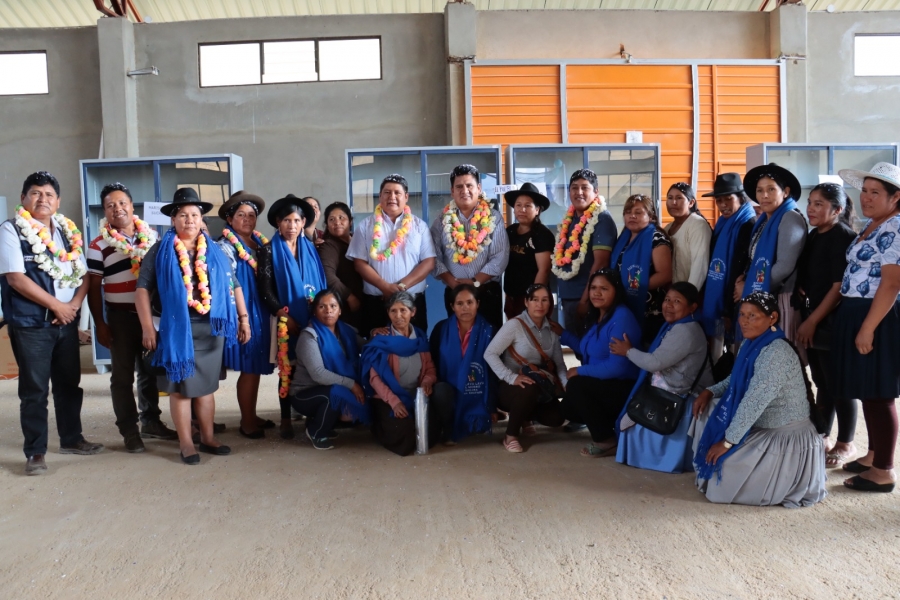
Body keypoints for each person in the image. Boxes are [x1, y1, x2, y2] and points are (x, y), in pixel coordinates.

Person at [135, 188, 252, 465]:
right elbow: (142, 290)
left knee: (207, 387)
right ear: (173, 220)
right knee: (179, 387)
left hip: (211, 328)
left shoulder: (217, 250)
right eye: (183, 215)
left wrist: (243, 318)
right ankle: (186, 442)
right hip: (177, 328)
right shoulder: (160, 251)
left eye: (195, 215)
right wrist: (147, 329)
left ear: (202, 221)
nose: (189, 220)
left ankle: (208, 437)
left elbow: (233, 284)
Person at [0, 171, 103, 475]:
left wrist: (71, 307)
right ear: (23, 198)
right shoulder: (11, 231)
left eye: (48, 195)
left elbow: (83, 276)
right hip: (32, 324)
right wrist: (57, 305)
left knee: (69, 384)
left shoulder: (67, 232)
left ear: (57, 202)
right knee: (34, 390)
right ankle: (35, 452)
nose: (42, 199)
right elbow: (17, 279)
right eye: (35, 193)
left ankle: (71, 439)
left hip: (66, 322)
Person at [692, 292, 826, 507]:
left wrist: (727, 443)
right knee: (708, 410)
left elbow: (753, 403)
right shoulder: (751, 343)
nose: (744, 321)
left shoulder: (776, 353)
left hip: (782, 435)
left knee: (724, 468)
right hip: (761, 424)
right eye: (742, 314)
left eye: (752, 316)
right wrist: (709, 391)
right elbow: (734, 379)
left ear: (772, 318)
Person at [87, 182, 176, 453]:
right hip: (120, 318)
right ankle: (129, 431)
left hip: (151, 315)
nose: (118, 209)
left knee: (149, 371)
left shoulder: (151, 237)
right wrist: (99, 323)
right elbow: (92, 288)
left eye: (122, 203)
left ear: (131, 206)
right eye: (110, 205)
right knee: (123, 376)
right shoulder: (98, 244)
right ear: (105, 211)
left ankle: (151, 421)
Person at [832, 162, 900, 493]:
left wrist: (868, 327)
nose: (867, 198)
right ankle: (874, 455)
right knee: (867, 389)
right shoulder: (872, 225)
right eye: (865, 191)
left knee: (880, 392)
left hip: (877, 313)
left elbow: (891, 284)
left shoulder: (896, 227)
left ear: (895, 197)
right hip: (855, 309)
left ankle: (884, 470)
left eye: (876, 193)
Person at [610, 282, 711, 474]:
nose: (669, 305)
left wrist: (628, 351)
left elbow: (654, 362)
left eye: (677, 301)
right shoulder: (676, 326)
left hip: (677, 392)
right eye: (667, 300)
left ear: (692, 307)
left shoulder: (685, 330)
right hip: (670, 385)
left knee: (631, 413)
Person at [794, 183, 858, 468]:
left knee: (840, 383)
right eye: (810, 202)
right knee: (823, 381)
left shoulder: (842, 236)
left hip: (833, 320)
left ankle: (847, 442)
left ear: (838, 209)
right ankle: (824, 434)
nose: (811, 208)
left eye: (820, 204)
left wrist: (811, 321)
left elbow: (837, 288)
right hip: (815, 317)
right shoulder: (814, 235)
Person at [257, 194, 327, 439]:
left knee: (314, 364)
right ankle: (285, 417)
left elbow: (319, 283)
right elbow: (265, 290)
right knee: (288, 368)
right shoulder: (268, 250)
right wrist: (286, 316)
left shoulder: (310, 248)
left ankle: (312, 414)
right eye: (286, 220)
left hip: (312, 318)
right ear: (278, 222)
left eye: (296, 220)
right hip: (283, 320)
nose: (291, 226)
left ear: (303, 222)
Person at [559, 269, 641, 457]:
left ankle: (606, 440)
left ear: (616, 291)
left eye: (604, 288)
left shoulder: (621, 318)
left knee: (577, 386)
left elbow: (617, 366)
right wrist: (562, 334)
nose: (596, 293)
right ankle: (610, 423)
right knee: (567, 408)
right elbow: (588, 348)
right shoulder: (600, 315)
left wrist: (580, 370)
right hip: (606, 384)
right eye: (593, 288)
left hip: (623, 387)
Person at [216, 190, 275, 439]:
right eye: (241, 215)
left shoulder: (261, 243)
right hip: (242, 309)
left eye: (251, 215)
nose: (248, 220)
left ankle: (250, 413)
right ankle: (247, 421)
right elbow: (230, 283)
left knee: (257, 364)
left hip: (261, 307)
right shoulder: (224, 245)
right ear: (230, 219)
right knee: (249, 365)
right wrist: (242, 318)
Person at [347, 174, 436, 335]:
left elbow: (429, 262)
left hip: (411, 302)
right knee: (378, 349)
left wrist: (401, 287)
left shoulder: (419, 226)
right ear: (380, 196)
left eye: (397, 193)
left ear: (406, 197)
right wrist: (384, 287)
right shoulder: (365, 226)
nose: (392, 197)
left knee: (415, 346)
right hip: (377, 302)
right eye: (387, 192)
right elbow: (359, 263)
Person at [484, 284, 567, 453]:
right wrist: (511, 377)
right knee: (526, 388)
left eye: (545, 300)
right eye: (535, 300)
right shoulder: (514, 325)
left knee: (556, 418)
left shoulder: (552, 329)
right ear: (526, 302)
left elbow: (559, 363)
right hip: (511, 388)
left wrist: (565, 384)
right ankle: (511, 435)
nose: (540, 304)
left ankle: (524, 416)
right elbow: (490, 353)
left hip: (539, 386)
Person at [363, 291, 446, 456]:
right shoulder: (381, 340)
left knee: (428, 433)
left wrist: (426, 383)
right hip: (388, 398)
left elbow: (429, 368)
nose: (398, 315)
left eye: (403, 310)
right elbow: (375, 378)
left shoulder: (420, 337)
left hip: (416, 396)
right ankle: (378, 427)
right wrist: (394, 402)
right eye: (393, 311)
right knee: (406, 437)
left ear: (413, 312)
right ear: (388, 313)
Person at [431, 165, 509, 332]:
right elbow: (434, 257)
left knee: (490, 341)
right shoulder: (441, 220)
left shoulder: (493, 217)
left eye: (469, 186)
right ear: (452, 191)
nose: (464, 190)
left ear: (479, 188)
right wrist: (453, 283)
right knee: (457, 340)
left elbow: (500, 256)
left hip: (486, 293)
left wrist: (475, 281)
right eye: (459, 186)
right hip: (454, 292)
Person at [735, 163, 807, 340]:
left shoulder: (790, 218)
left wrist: (750, 289)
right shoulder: (765, 220)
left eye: (771, 189)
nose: (764, 195)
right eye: (760, 190)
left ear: (786, 191)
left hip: (780, 299)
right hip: (763, 294)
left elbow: (784, 266)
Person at [290, 289, 366, 450]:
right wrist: (352, 385)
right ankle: (316, 431)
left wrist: (378, 336)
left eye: (333, 306)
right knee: (334, 395)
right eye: (322, 307)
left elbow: (367, 347)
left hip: (332, 388)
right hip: (304, 395)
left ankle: (318, 421)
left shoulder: (345, 331)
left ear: (340, 310)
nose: (328, 310)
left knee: (352, 411)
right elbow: (319, 374)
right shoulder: (309, 336)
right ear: (315, 311)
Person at [552, 169, 618, 338]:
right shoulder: (571, 217)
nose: (578, 192)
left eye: (584, 188)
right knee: (578, 346)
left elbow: (601, 263)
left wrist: (585, 300)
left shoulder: (601, 218)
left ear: (596, 191)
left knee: (588, 349)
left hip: (587, 299)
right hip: (569, 298)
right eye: (574, 188)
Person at [429, 284, 495, 445]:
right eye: (459, 304)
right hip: (447, 390)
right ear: (452, 306)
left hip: (478, 389)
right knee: (441, 392)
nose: (465, 308)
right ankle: (448, 425)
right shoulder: (441, 329)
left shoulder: (490, 331)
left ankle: (474, 418)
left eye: (469, 302)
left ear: (477, 304)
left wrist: (492, 407)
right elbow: (432, 361)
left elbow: (492, 372)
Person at [699, 173, 757, 355]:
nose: (723, 205)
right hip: (720, 296)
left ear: (740, 198)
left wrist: (727, 308)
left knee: (736, 350)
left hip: (736, 297)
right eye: (719, 200)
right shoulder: (723, 223)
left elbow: (739, 267)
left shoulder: (748, 223)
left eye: (728, 199)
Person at [611, 194, 673, 345]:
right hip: (622, 303)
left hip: (649, 309)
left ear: (651, 216)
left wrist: (632, 289)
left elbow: (665, 275)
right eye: (628, 212)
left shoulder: (656, 238)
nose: (632, 216)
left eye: (638, 213)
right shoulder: (624, 237)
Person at [503, 182, 555, 322]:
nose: (522, 209)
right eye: (518, 205)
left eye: (527, 206)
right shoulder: (510, 231)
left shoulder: (542, 235)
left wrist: (533, 300)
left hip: (532, 301)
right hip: (512, 297)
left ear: (537, 209)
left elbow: (543, 270)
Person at [317, 201, 364, 330]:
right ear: (327, 225)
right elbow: (327, 275)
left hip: (366, 303)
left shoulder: (358, 241)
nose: (337, 222)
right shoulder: (329, 246)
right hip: (346, 306)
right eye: (332, 219)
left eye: (341, 218)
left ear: (350, 221)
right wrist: (349, 296)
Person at [664, 182, 711, 290]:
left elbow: (699, 266)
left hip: (688, 293)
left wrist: (688, 295)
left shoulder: (698, 225)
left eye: (679, 198)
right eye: (670, 198)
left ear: (691, 202)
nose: (673, 202)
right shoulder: (667, 228)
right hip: (671, 292)